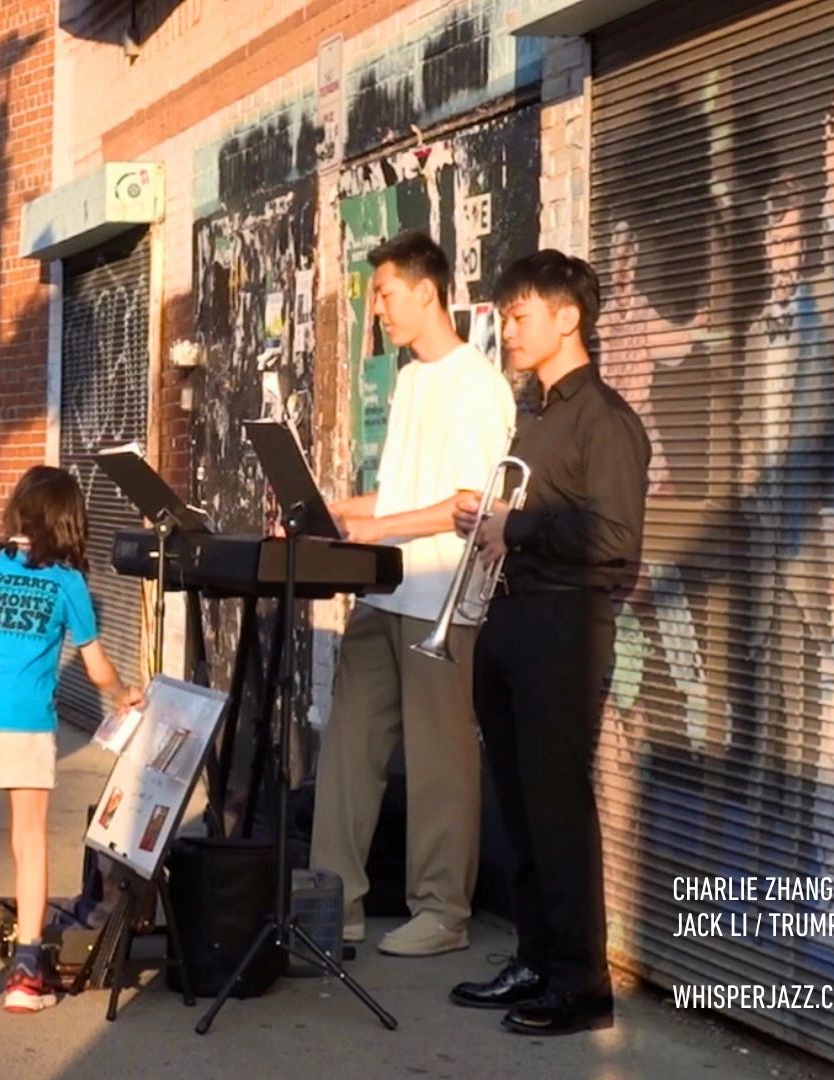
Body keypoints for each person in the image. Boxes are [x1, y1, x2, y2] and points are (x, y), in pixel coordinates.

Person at [449, 250, 649, 1035]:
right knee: (522, 805)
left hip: (566, 627)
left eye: (521, 314)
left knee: (558, 805)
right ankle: (536, 957)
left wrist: (516, 525)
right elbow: (532, 519)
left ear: (568, 317)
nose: (510, 329)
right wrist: (486, 517)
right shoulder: (534, 415)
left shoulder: (606, 419)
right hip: (512, 619)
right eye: (504, 316)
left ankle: (581, 986)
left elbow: (613, 538)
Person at [311, 230, 516, 956]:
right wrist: (338, 511)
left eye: (389, 297)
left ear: (427, 292)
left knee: (440, 758)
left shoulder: (477, 384)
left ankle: (442, 912)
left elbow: (468, 502)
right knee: (347, 745)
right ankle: (334, 900)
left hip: (440, 597)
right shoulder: (407, 382)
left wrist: (378, 530)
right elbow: (404, 493)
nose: (382, 314)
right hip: (384, 591)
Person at [0, 465, 141, 1015]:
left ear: (17, 510)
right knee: (30, 842)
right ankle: (25, 974)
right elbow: (95, 669)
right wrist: (123, 694)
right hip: (26, 726)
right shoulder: (67, 583)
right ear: (69, 520)